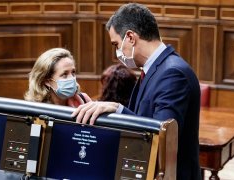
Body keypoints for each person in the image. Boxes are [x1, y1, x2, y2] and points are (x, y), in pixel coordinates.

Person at [72, 3, 201, 180]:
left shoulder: (172, 73)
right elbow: (144, 119)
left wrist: (118, 109)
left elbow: (161, 138)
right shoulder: (156, 69)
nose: (117, 52)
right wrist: (114, 112)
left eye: (116, 44)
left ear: (131, 37)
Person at [24, 48, 91, 107]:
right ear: (47, 81)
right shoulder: (37, 109)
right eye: (64, 74)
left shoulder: (83, 100)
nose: (72, 78)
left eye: (73, 72)